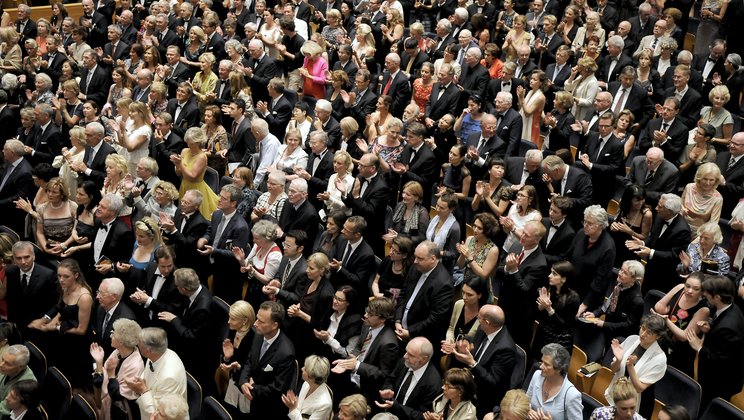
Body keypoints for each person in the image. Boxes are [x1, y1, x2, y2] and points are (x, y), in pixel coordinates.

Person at [28, 259, 94, 389]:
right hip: (63, 335)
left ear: (76, 275)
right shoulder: (65, 287)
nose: (61, 280)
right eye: (59, 276)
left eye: (66, 276)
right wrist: (48, 322)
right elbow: (61, 309)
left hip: (77, 343)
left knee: (72, 377)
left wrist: (56, 327)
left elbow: (81, 329)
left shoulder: (84, 297)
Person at [687, 275, 744, 406]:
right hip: (719, 376)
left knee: (709, 408)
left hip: (720, 381)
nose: (704, 295)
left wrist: (699, 347)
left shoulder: (729, 327)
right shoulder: (731, 307)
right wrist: (711, 328)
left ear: (717, 297)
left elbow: (719, 359)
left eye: (707, 295)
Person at [239, 301, 297, 418]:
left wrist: (253, 389)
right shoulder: (259, 334)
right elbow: (250, 360)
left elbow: (278, 388)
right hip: (251, 397)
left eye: (261, 321)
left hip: (269, 409)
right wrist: (243, 382)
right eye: (257, 319)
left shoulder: (286, 353)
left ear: (274, 325)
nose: (255, 324)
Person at [652, 272, 710, 376]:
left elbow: (684, 336)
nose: (689, 291)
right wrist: (663, 309)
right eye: (687, 286)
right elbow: (658, 306)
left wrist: (667, 321)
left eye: (696, 289)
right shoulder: (680, 288)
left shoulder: (703, 310)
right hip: (663, 341)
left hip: (680, 353)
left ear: (702, 291)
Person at [606, 314, 668, 412]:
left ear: (658, 336)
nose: (643, 334)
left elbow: (639, 388)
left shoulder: (660, 358)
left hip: (639, 402)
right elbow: (613, 369)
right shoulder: (632, 339)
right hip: (618, 393)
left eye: (649, 332)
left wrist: (630, 366)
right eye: (643, 328)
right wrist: (618, 360)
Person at [126, 327, 188, 419]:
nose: (137, 346)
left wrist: (142, 390)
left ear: (148, 351)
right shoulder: (158, 353)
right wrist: (138, 383)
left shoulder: (169, 377)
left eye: (139, 345)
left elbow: (158, 413)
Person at [90, 318, 144, 420]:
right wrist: (99, 362)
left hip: (119, 412)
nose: (111, 336)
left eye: (113, 334)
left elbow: (118, 395)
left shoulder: (135, 365)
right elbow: (101, 377)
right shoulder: (117, 352)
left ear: (121, 342)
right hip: (106, 403)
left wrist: (110, 374)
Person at [571, 205, 617, 313]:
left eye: (590, 223)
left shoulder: (608, 248)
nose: (585, 226)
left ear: (601, 225)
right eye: (585, 221)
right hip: (571, 288)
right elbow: (568, 257)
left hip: (588, 295)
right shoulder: (581, 234)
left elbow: (599, 281)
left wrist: (584, 304)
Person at [532, 262, 581, 357]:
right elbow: (538, 316)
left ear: (564, 279)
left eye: (554, 274)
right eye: (551, 272)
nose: (549, 276)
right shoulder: (550, 290)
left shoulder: (573, 298)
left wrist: (549, 309)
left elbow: (564, 325)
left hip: (559, 341)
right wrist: (541, 308)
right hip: (542, 336)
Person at [233, 220, 283, 309]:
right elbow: (247, 263)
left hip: (263, 292)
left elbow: (267, 279)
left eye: (256, 238)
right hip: (252, 285)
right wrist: (241, 260)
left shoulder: (275, 255)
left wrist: (252, 271)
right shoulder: (257, 245)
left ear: (266, 239)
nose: (253, 240)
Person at [526, 343, 583, 420]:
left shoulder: (572, 395)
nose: (541, 366)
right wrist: (527, 410)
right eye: (542, 362)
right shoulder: (537, 375)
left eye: (546, 364)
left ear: (559, 368)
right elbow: (526, 401)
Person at [172, 127, 219, 220]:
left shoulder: (202, 157)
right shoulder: (184, 151)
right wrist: (177, 165)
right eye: (188, 142)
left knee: (196, 217)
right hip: (184, 185)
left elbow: (192, 176)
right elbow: (178, 173)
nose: (189, 145)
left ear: (198, 142)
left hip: (196, 189)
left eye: (191, 143)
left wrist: (180, 164)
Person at [610, 185, 654, 266]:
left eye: (643, 199)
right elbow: (615, 221)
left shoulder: (646, 214)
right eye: (637, 200)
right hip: (615, 243)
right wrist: (613, 226)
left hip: (630, 247)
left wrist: (629, 231)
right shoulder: (622, 204)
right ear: (629, 200)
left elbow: (645, 237)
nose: (641, 203)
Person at [33, 177, 77, 255]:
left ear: (62, 194)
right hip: (49, 246)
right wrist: (46, 248)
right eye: (48, 191)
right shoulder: (41, 209)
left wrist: (64, 245)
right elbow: (40, 232)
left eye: (54, 192)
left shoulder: (72, 206)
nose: (50, 194)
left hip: (69, 246)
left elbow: (76, 230)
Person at [282, 355, 333, 420]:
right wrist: (293, 403)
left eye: (305, 369)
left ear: (312, 377)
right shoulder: (307, 383)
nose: (302, 368)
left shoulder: (324, 404)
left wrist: (293, 408)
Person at [456, 213, 500, 288]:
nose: (475, 230)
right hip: (466, 284)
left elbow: (484, 275)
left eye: (479, 228)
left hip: (480, 288)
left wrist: (469, 257)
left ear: (487, 231)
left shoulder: (493, 250)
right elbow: (459, 265)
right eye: (474, 226)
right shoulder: (470, 239)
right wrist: (462, 254)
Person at [680, 162, 723, 233]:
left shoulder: (718, 198)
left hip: (700, 232)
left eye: (711, 180)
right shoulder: (689, 187)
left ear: (716, 181)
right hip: (681, 226)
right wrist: (682, 209)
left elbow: (713, 224)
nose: (707, 183)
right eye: (705, 179)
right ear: (699, 178)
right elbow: (680, 205)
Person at [0, 346, 36, 417]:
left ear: (20, 367)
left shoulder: (26, 385)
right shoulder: (4, 368)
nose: (1, 365)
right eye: (2, 359)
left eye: (8, 364)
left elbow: (4, 410)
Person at [519, 71, 548, 145]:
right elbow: (521, 107)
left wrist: (522, 98)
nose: (531, 81)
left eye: (535, 79)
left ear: (541, 83)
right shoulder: (530, 92)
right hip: (522, 122)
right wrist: (519, 97)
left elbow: (528, 113)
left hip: (532, 127)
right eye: (531, 78)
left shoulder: (541, 97)